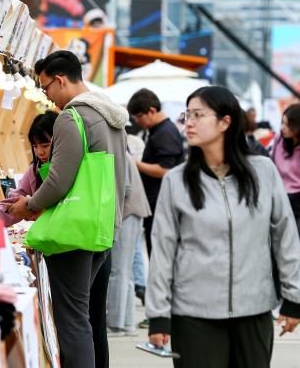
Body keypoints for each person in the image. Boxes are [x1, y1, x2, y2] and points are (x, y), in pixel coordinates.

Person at [146, 86, 300, 368]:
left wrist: (294, 297)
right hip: (193, 315)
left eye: (198, 115)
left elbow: (285, 236)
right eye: (186, 115)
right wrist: (159, 314)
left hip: (254, 310)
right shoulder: (177, 181)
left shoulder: (263, 172)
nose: (188, 123)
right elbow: (163, 252)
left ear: (225, 122)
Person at [8, 50, 127, 368]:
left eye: (46, 87)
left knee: (72, 321)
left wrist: (29, 205)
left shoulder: (73, 117)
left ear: (60, 80)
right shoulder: (111, 116)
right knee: (83, 315)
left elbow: (60, 180)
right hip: (101, 227)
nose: (46, 94)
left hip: (73, 232)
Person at [127, 89, 184, 257]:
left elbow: (165, 169)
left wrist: (135, 163)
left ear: (151, 111)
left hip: (161, 202)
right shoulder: (159, 130)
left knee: (159, 253)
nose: (137, 121)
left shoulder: (165, 132)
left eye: (139, 116)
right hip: (156, 201)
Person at [107, 151, 151, 336]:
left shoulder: (115, 148)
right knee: (126, 272)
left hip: (127, 213)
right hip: (133, 212)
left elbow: (123, 189)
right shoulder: (120, 146)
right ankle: (126, 324)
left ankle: (115, 325)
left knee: (118, 271)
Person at [0, 111, 58, 225]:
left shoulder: (71, 168)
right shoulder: (34, 170)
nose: (40, 152)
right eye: (35, 146)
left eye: (45, 145)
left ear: (60, 141)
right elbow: (17, 198)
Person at [270, 103, 300, 232]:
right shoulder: (278, 140)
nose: (283, 128)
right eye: (282, 122)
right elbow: (271, 164)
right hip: (279, 195)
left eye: (288, 125)